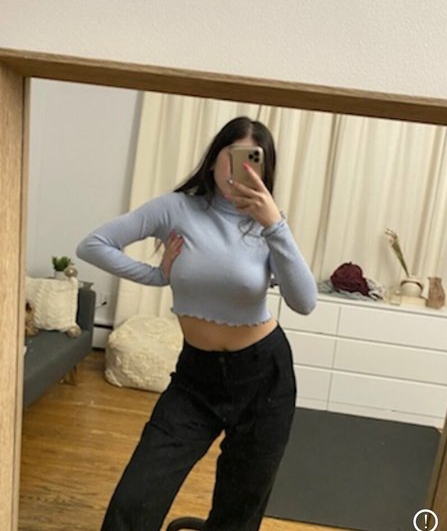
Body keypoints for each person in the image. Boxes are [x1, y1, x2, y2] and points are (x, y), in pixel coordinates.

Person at [76, 116, 317, 531]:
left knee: (238, 512)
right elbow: (93, 245)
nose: (241, 170)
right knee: (136, 499)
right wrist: (156, 275)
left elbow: (304, 301)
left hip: (264, 377)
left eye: (253, 160)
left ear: (265, 168)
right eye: (233, 156)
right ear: (213, 158)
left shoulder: (268, 224)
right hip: (196, 377)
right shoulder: (175, 209)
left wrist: (275, 225)